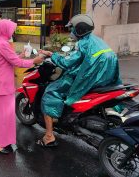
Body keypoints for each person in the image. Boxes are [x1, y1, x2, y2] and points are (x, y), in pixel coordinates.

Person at [38, 14, 121, 147]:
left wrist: (51, 55)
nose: (71, 32)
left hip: (88, 79)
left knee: (49, 93)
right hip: (106, 79)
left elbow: (67, 63)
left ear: (80, 30)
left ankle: (49, 136)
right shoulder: (96, 40)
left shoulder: (83, 44)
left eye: (72, 29)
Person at [0, 19, 44, 154]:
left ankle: (3, 141)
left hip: (1, 85)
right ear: (5, 30)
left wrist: (21, 55)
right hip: (1, 87)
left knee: (4, 117)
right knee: (1, 117)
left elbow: (10, 59)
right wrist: (34, 61)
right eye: (11, 29)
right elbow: (17, 62)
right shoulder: (2, 44)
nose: (13, 31)